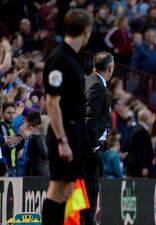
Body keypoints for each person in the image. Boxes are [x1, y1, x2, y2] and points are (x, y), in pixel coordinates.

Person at [41, 9, 93, 225]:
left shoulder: (72, 58)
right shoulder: (60, 58)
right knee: (57, 189)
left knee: (69, 188)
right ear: (86, 31)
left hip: (74, 132)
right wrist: (62, 140)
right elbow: (52, 102)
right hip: (64, 133)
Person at [83, 51, 114, 225]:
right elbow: (89, 118)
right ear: (110, 68)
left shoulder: (88, 80)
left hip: (88, 148)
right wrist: (95, 147)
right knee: (90, 192)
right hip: (90, 150)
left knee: (89, 192)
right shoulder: (96, 85)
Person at [125, 108, 156, 178]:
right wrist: (144, 167)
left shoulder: (139, 129)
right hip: (138, 169)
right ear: (146, 118)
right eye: (150, 116)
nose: (152, 119)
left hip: (138, 167)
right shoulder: (141, 131)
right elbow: (141, 151)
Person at [0, 102, 25, 177]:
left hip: (13, 166)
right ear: (2, 113)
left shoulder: (11, 128)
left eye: (13, 113)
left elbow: (14, 147)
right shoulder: (1, 126)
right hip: (4, 167)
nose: (11, 115)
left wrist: (22, 140)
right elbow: (6, 145)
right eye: (9, 113)